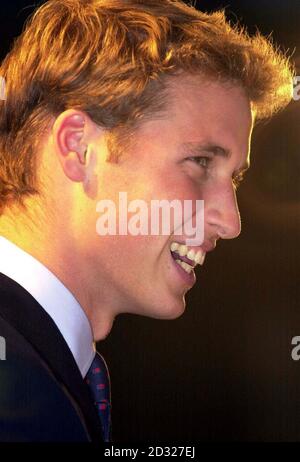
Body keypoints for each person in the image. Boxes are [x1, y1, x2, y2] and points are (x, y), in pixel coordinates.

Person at [0, 0, 294, 442]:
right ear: (79, 148)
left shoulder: (41, 367)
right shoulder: (17, 395)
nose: (231, 222)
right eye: (199, 161)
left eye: (233, 177)